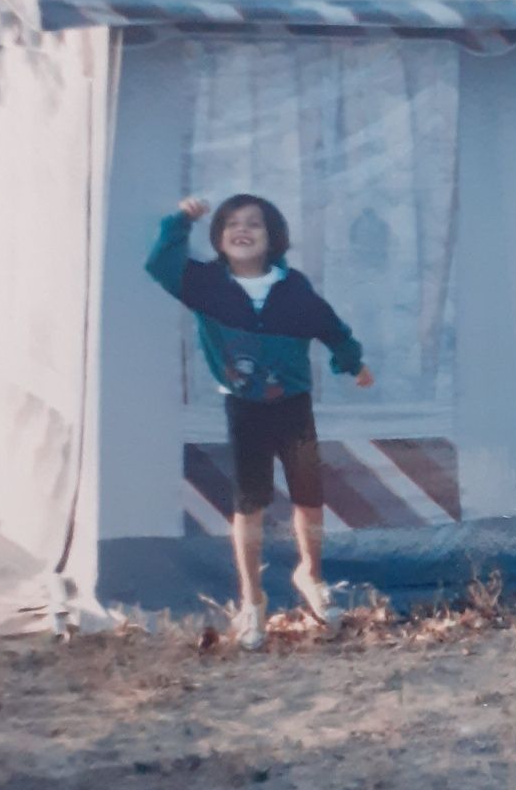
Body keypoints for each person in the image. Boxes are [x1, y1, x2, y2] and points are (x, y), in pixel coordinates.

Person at [147, 194, 375, 649]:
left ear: (273, 238)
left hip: (294, 405)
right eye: (231, 223)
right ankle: (252, 600)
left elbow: (332, 329)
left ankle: (309, 574)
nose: (242, 229)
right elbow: (160, 264)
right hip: (244, 410)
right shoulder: (207, 285)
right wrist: (180, 221)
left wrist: (353, 363)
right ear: (220, 237)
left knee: (309, 498)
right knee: (249, 504)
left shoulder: (294, 288)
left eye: (254, 223)